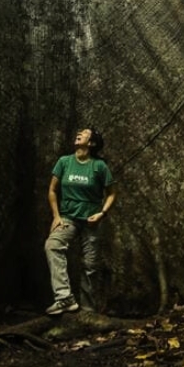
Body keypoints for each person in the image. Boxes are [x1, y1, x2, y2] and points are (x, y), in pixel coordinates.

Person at [44, 127, 115, 315]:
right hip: (68, 218)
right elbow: (52, 190)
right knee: (52, 245)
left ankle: (88, 312)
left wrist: (102, 213)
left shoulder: (99, 166)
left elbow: (112, 194)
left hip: (91, 222)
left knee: (90, 266)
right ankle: (64, 298)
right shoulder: (64, 162)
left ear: (91, 143)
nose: (79, 133)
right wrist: (56, 216)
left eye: (84, 133)